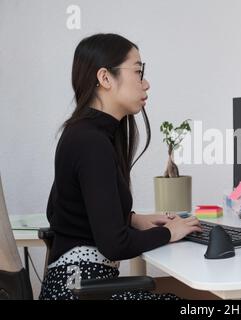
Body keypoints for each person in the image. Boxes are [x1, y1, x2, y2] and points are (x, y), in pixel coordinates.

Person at [39, 33, 201, 300]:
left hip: (72, 286)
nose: (146, 84)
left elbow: (63, 211)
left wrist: (132, 220)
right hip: (78, 292)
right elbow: (115, 245)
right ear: (105, 78)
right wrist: (169, 232)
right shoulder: (91, 142)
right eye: (138, 72)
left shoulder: (81, 133)